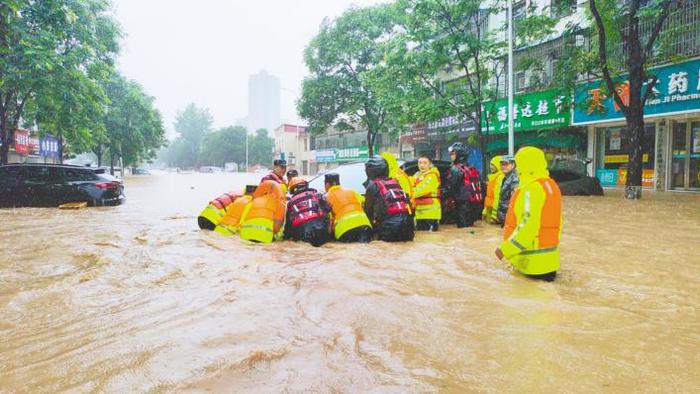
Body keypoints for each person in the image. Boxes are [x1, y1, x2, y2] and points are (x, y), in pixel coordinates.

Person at [495, 147, 562, 282]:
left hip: (532, 264)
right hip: (550, 262)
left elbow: (528, 224)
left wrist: (506, 249)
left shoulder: (531, 188)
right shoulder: (551, 186)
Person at [364, 157, 415, 242]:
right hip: (408, 225)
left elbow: (368, 211)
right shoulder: (395, 182)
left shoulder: (373, 186)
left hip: (390, 228)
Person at [324, 173, 373, 243]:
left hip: (345, 231)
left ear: (327, 184)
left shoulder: (326, 197)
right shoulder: (352, 192)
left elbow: (329, 220)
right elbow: (365, 203)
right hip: (365, 227)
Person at [284, 178, 331, 247]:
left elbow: (288, 226)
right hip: (321, 228)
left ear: (292, 190)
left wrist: (285, 239)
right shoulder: (317, 194)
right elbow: (328, 209)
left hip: (303, 232)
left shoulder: (291, 203)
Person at [447, 142, 484, 228]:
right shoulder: (472, 168)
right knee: (470, 229)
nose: (450, 156)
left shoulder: (455, 169)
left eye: (453, 154)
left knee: (462, 229)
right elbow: (482, 186)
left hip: (462, 205)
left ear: (459, 155)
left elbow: (451, 187)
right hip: (475, 205)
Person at [411, 155, 441, 231]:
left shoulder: (432, 176)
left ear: (430, 164)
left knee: (430, 240)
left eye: (425, 163)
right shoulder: (417, 175)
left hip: (431, 214)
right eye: (420, 163)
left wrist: (407, 194)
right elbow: (409, 184)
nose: (422, 165)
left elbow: (421, 190)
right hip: (418, 214)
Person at [497, 155, 519, 225]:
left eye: (506, 164)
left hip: (510, 218)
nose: (503, 166)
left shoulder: (514, 178)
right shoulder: (507, 177)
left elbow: (514, 199)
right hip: (505, 218)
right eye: (502, 164)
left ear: (513, 165)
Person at [482, 155, 504, 224]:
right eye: (490, 164)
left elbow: (497, 197)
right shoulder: (491, 178)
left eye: (493, 165)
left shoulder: (500, 178)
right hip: (489, 210)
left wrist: (494, 215)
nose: (491, 167)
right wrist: (485, 211)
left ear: (498, 165)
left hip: (495, 212)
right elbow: (488, 197)